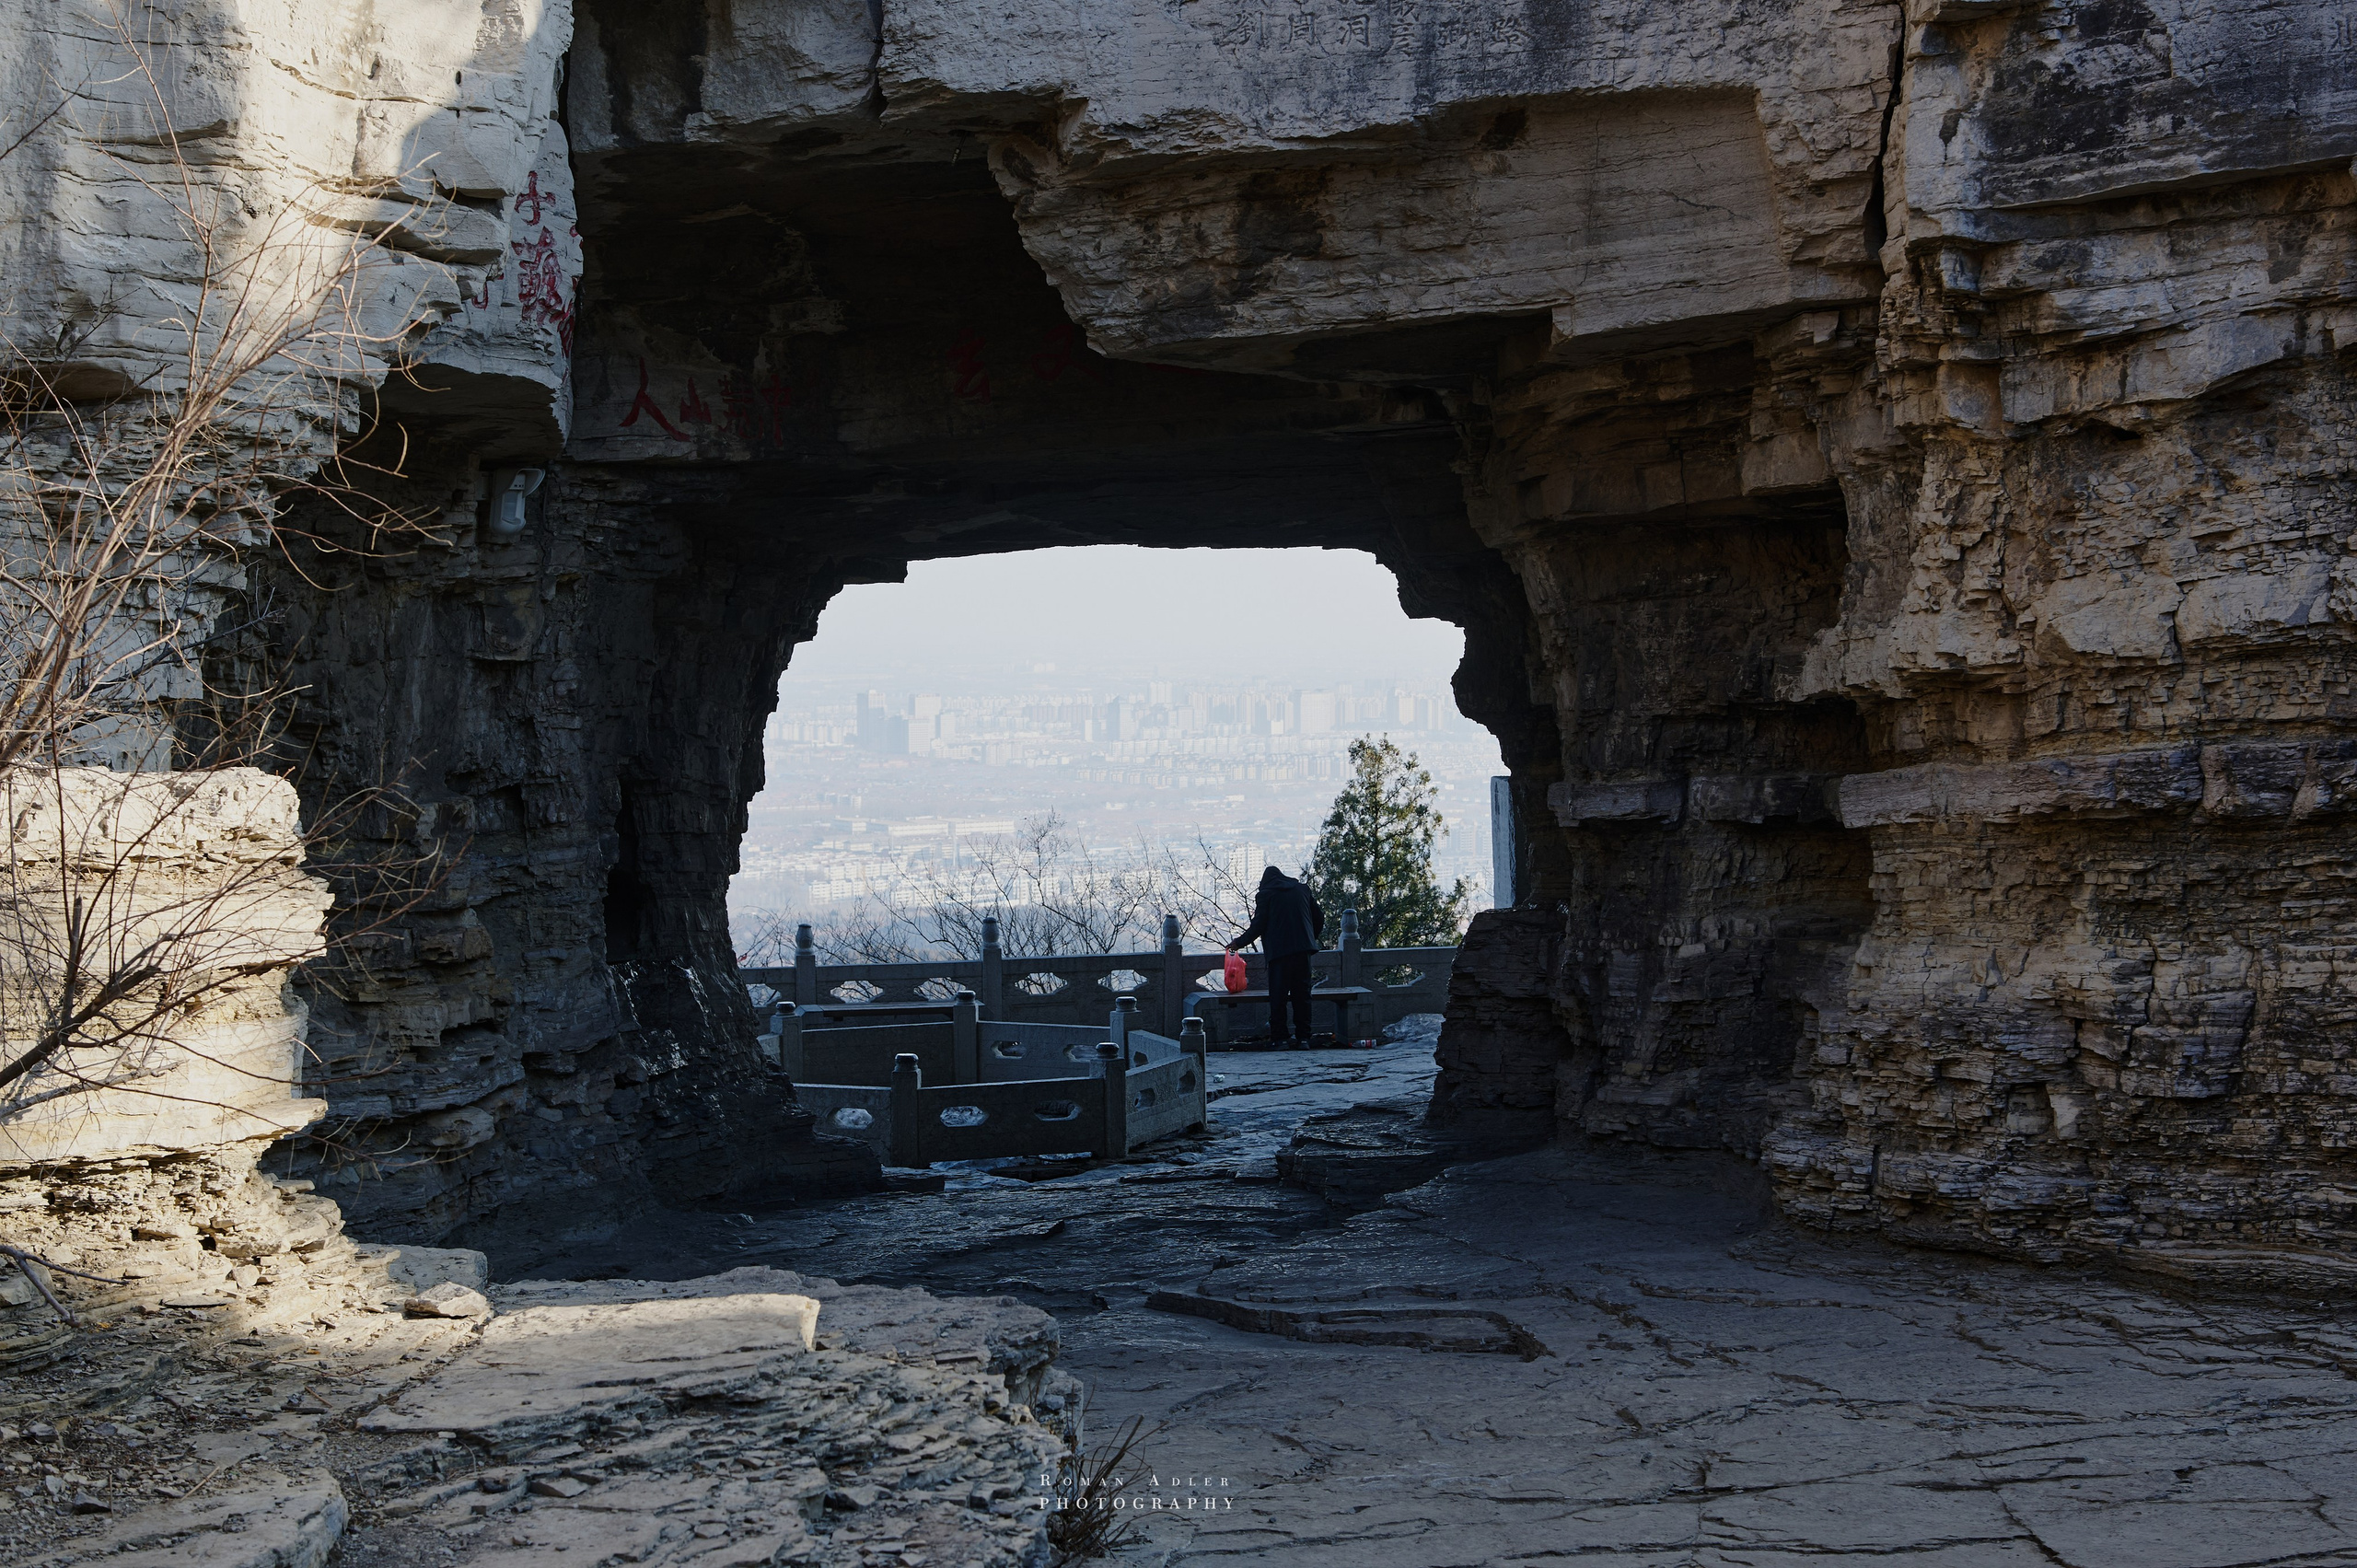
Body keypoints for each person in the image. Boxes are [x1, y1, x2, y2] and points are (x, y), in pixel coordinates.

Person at [1227, 865, 1325, 1047]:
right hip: (1303, 952)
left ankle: (1280, 1039)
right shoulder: (1302, 889)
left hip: (1280, 954)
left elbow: (1258, 925)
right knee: (1302, 995)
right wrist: (1309, 938)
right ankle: (1304, 1038)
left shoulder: (1266, 895)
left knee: (1278, 997)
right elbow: (1319, 917)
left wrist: (1238, 943)